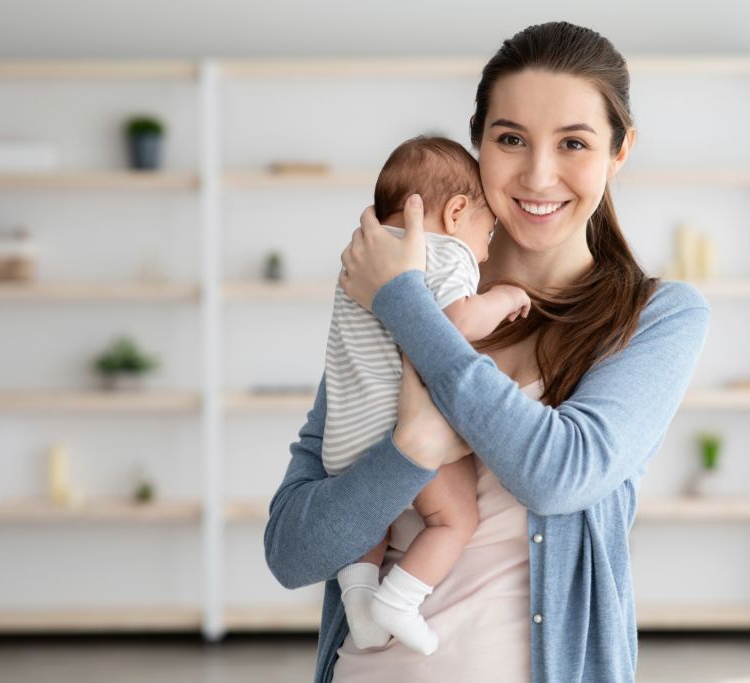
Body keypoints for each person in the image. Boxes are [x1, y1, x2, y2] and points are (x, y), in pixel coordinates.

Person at [265, 21, 711, 683]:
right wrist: (409, 453)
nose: (537, 173)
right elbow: (292, 551)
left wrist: (405, 305)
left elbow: (555, 475)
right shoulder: (393, 297)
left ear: (619, 152)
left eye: (573, 143)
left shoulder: (654, 317)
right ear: (477, 144)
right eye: (509, 139)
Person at [322, 135, 530, 656]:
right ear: (458, 212)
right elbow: (456, 321)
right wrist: (502, 297)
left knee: (372, 517)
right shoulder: (448, 251)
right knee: (454, 518)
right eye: (489, 232)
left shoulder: (360, 262)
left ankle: (359, 597)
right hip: (405, 426)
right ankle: (400, 599)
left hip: (344, 429)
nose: (486, 249)